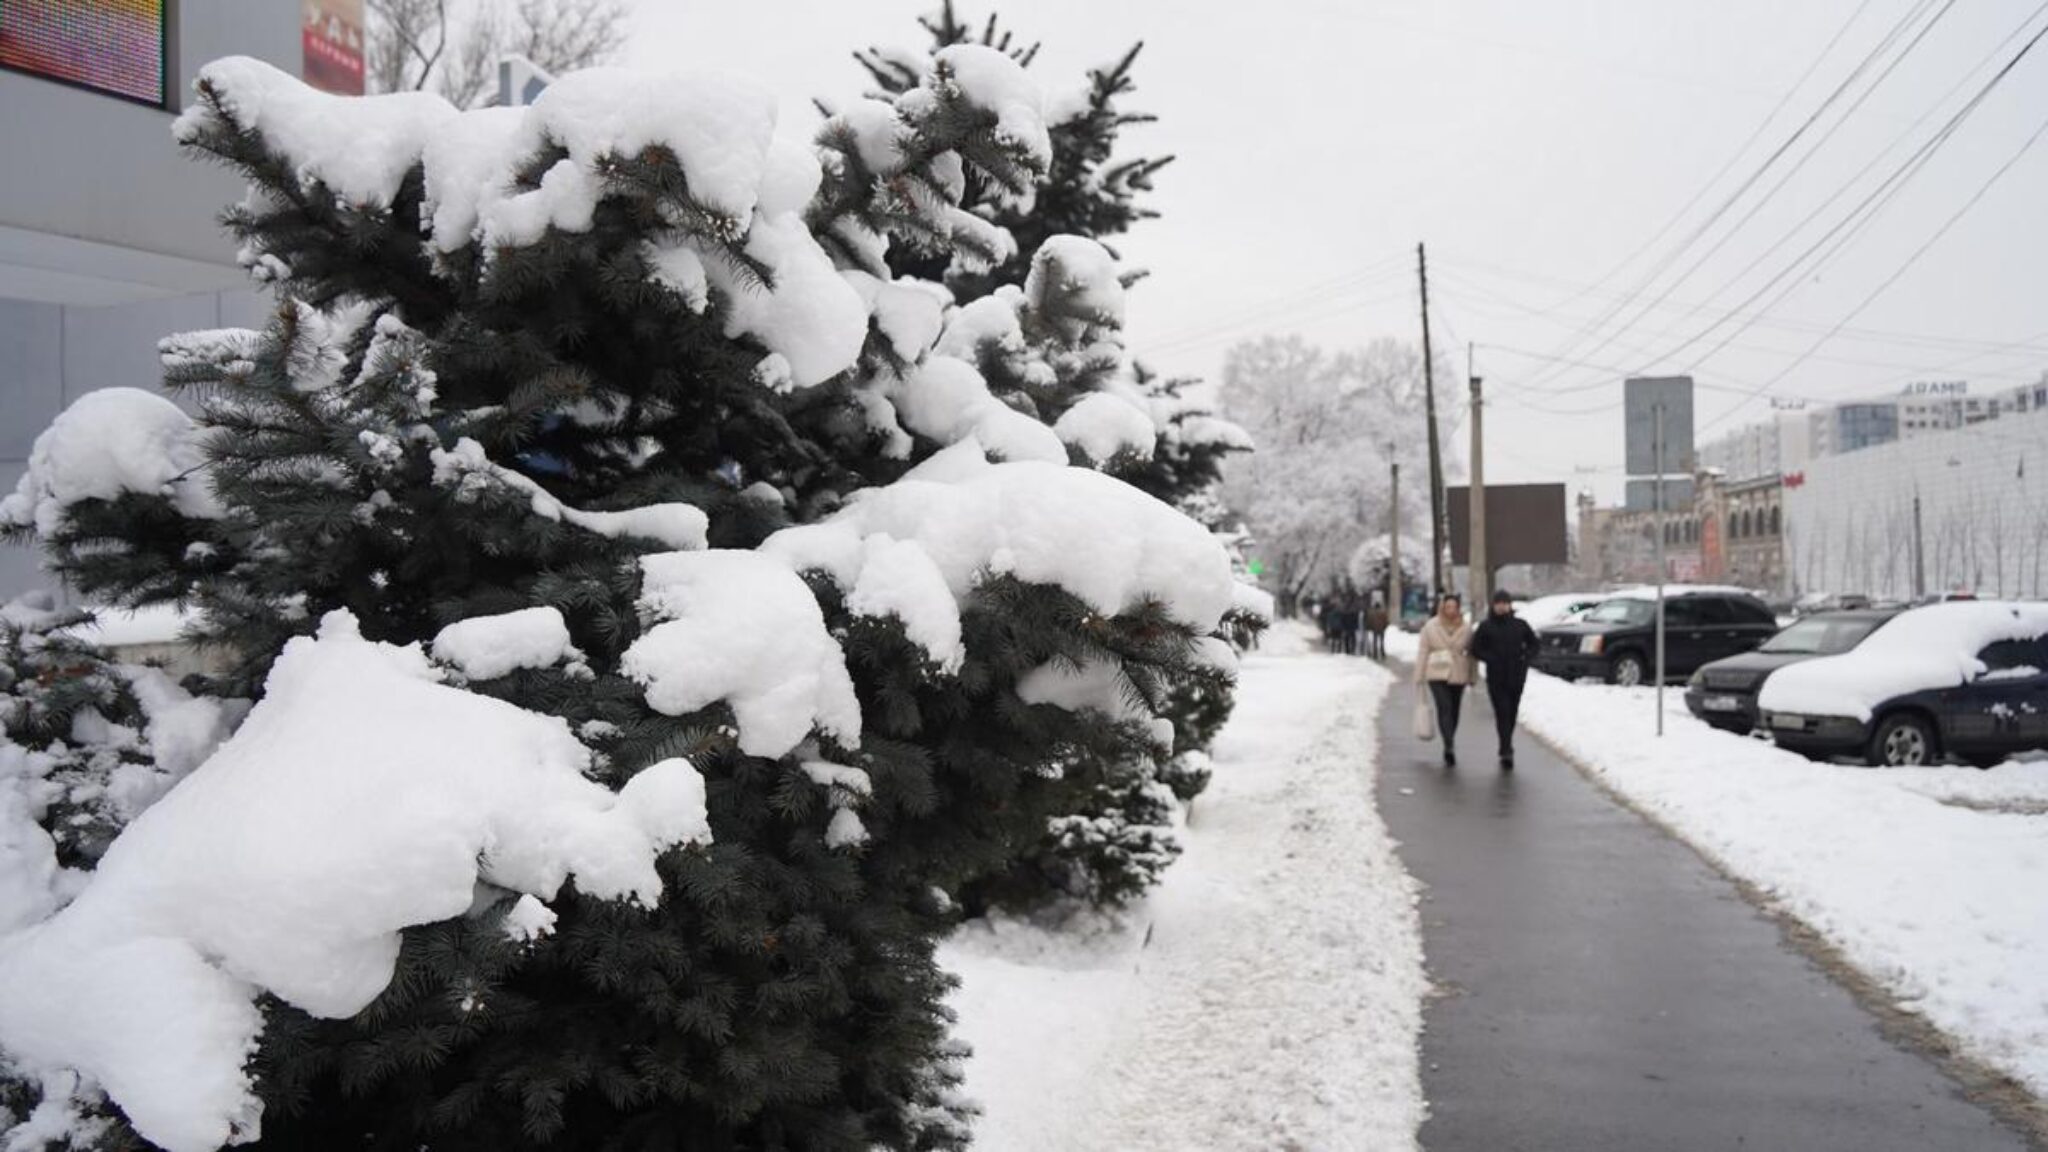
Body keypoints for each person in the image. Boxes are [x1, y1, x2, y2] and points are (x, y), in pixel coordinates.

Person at [1472, 588, 1542, 769]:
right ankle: (1506, 748)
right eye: (1498, 604)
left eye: (1505, 603)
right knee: (1502, 712)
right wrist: (1490, 658)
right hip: (1496, 677)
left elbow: (1534, 644)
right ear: (1493, 606)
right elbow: (1476, 648)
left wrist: (1526, 657)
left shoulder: (1520, 625)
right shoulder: (1486, 626)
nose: (1502, 607)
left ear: (1509, 605)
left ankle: (1506, 742)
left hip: (1517, 675)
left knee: (1511, 712)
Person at [1413, 593, 1473, 765]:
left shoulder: (1466, 627)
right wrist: (1419, 674)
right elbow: (1423, 650)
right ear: (1442, 608)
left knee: (1454, 709)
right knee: (1444, 706)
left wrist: (1472, 676)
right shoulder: (1431, 627)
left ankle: (1450, 736)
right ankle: (1449, 744)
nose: (1451, 610)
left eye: (1454, 607)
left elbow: (1471, 654)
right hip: (1437, 672)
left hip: (1458, 671)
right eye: (1448, 607)